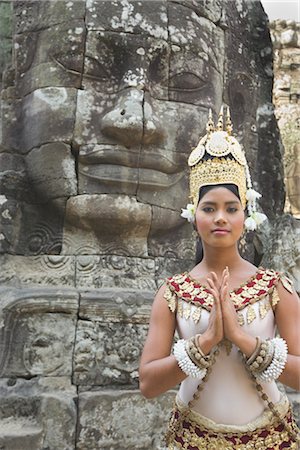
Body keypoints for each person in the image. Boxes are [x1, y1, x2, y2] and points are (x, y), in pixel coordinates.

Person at [139, 107, 300, 449]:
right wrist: (205, 342)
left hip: (270, 441)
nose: (220, 218)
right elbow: (148, 384)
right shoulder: (173, 293)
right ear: (193, 215)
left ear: (246, 213)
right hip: (192, 440)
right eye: (209, 208)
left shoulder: (275, 288)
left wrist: (244, 339)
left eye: (231, 208)